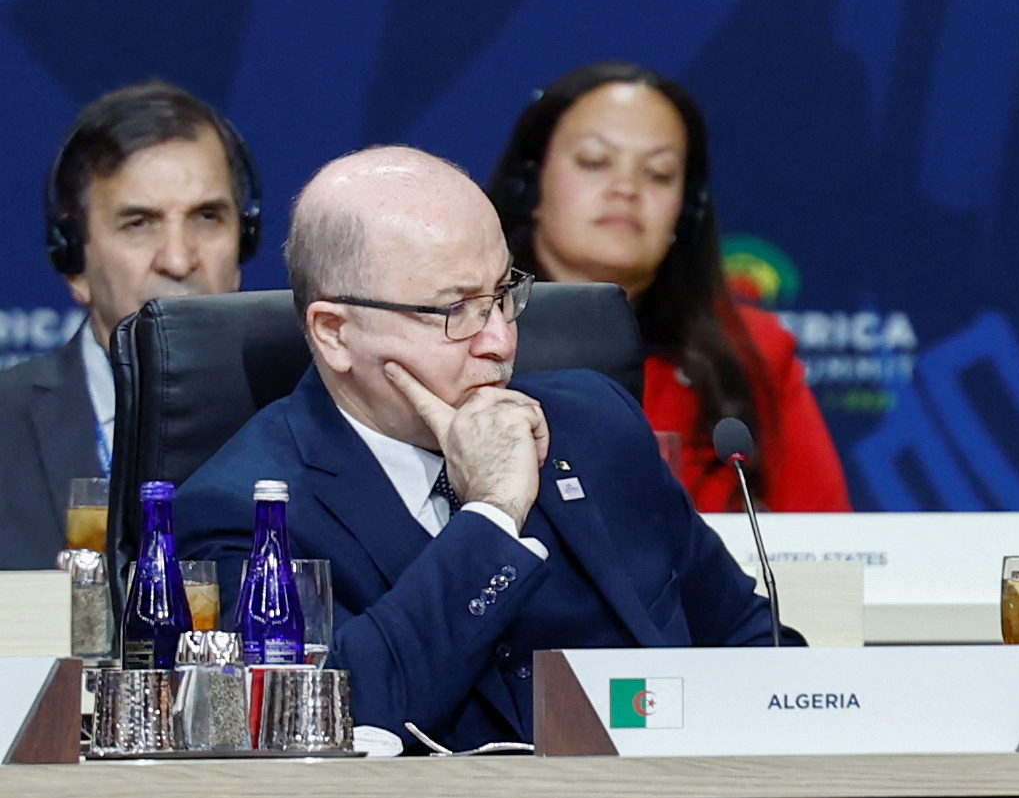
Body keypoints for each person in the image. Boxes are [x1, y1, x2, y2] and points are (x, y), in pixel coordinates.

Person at [175, 149, 782, 748]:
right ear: (335, 333)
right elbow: (319, 721)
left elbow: (749, 643)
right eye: (453, 310)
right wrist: (492, 512)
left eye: (502, 295)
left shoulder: (595, 424)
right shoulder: (242, 514)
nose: (498, 339)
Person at [487, 63, 846, 511]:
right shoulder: (463, 337)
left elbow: (827, 548)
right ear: (530, 186)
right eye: (594, 162)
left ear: (686, 211)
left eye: (657, 173)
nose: (626, 188)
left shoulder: (753, 352)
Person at [0, 85, 259, 566]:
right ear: (74, 261)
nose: (179, 260)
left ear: (243, 240)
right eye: (139, 223)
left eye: (207, 217)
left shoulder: (306, 425)